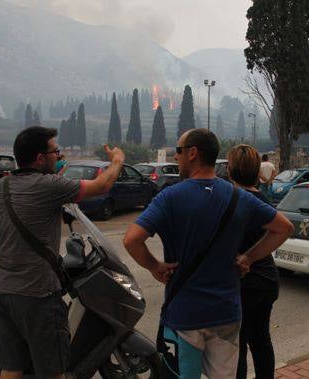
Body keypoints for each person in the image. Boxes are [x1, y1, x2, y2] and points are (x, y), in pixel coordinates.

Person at [123, 128, 293, 379]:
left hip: (185, 315)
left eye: (178, 151)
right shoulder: (238, 197)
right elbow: (283, 228)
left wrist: (155, 266)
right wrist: (249, 258)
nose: (175, 157)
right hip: (227, 313)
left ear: (193, 153)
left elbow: (131, 240)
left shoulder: (170, 197)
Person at [0, 126, 125, 379]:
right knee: (52, 371)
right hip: (36, 295)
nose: (59, 156)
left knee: (11, 367)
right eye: (55, 151)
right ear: (40, 158)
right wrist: (117, 160)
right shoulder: (48, 186)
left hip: (0, 291)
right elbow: (103, 185)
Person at [228, 145, 280, 379]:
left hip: (244, 282)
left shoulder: (235, 201)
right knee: (260, 341)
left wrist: (247, 257)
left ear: (230, 171)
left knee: (237, 346)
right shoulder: (262, 200)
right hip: (266, 279)